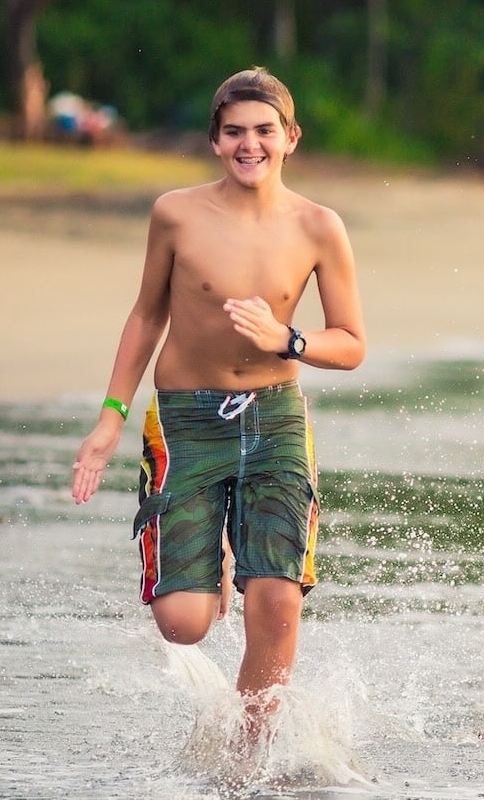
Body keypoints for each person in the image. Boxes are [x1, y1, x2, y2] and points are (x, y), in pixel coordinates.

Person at [68, 67, 366, 736]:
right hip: (186, 420)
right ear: (214, 140)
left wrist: (287, 338)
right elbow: (146, 316)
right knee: (183, 623)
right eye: (235, 131)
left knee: (278, 600)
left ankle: (248, 749)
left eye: (264, 131)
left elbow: (350, 342)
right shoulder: (175, 213)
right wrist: (107, 421)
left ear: (291, 138)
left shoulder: (320, 226)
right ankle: (217, 554)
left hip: (276, 419)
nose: (249, 144)